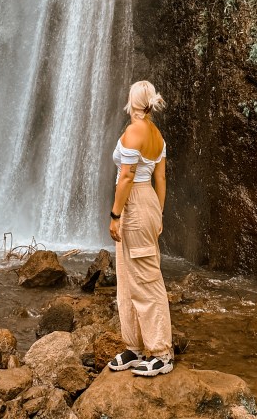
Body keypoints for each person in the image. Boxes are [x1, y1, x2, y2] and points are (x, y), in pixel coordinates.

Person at [107, 79, 173, 377]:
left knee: (145, 278)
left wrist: (115, 214)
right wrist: (158, 212)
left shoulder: (136, 131)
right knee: (126, 277)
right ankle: (134, 347)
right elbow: (161, 180)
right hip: (148, 202)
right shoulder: (157, 135)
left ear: (132, 101)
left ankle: (161, 353)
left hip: (134, 203)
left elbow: (126, 178)